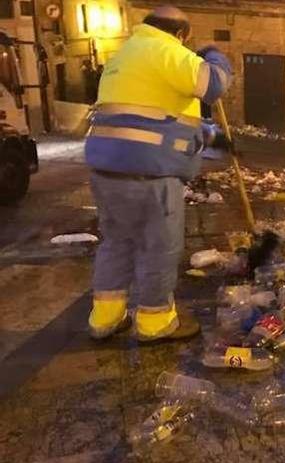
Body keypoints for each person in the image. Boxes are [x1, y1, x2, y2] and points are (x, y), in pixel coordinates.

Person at [85, 5, 233, 341]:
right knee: (158, 247)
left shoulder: (124, 56)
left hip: (107, 171)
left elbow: (157, 116)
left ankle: (104, 319)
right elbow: (214, 85)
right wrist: (213, 55)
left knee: (116, 244)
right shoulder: (167, 52)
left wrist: (210, 134)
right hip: (149, 174)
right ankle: (156, 322)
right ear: (181, 35)